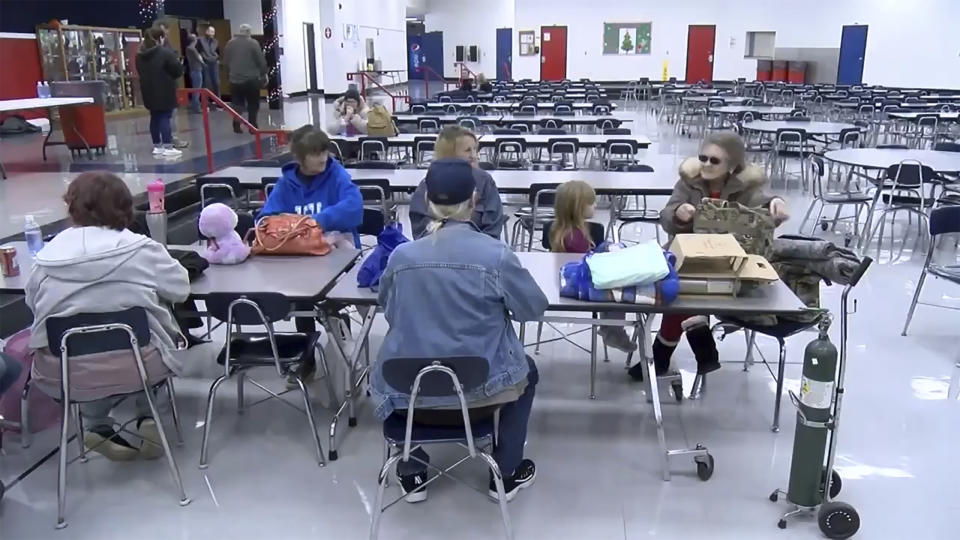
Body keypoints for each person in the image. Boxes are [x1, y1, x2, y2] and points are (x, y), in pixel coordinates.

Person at [370, 158, 548, 503]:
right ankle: (506, 473)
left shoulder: (401, 257)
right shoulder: (496, 255)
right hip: (482, 394)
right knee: (527, 371)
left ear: (425, 202)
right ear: (475, 201)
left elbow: (391, 311)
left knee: (406, 363)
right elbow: (533, 309)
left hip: (410, 396)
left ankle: (412, 472)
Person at [24, 172, 190, 460]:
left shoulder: (47, 257)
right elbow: (180, 289)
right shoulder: (141, 248)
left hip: (64, 372)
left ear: (72, 206)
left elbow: (32, 302)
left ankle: (96, 426)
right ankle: (147, 418)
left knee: (85, 350)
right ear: (125, 207)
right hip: (139, 365)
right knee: (143, 337)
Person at [627, 132, 789, 381]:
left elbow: (762, 203)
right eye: (702, 158)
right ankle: (698, 336)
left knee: (688, 288)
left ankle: (664, 352)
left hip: (728, 260)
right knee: (680, 283)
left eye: (715, 161)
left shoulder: (746, 188)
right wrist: (679, 213)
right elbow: (666, 215)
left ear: (733, 166)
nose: (705, 164)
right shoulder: (688, 183)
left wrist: (776, 202)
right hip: (687, 253)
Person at [258, 125, 363, 332]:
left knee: (332, 299)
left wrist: (314, 222)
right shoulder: (285, 185)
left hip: (337, 257)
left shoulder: (337, 175)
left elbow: (354, 207)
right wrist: (299, 228)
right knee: (301, 298)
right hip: (299, 257)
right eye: (316, 154)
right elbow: (265, 221)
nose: (323, 158)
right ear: (299, 158)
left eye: (324, 151)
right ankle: (306, 354)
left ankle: (344, 342)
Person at [549, 181, 635, 352]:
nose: (595, 205)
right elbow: (588, 267)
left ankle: (611, 328)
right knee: (617, 283)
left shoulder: (568, 229)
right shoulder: (573, 237)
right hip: (577, 286)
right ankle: (612, 329)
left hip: (575, 280)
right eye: (591, 202)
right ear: (578, 207)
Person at [409, 125, 504, 240]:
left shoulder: (484, 181)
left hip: (477, 252)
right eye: (467, 150)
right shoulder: (428, 183)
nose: (474, 156)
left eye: (475, 149)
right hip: (436, 249)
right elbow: (420, 227)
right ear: (449, 153)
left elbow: (493, 224)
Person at [137, 27, 184, 158]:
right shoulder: (166, 53)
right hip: (165, 90)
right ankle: (168, 146)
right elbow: (177, 71)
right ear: (160, 38)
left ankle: (157, 146)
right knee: (165, 117)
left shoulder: (140, 56)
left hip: (148, 91)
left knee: (154, 117)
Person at [223, 24, 267, 133]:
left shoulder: (230, 43)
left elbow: (226, 62)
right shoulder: (253, 43)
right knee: (253, 104)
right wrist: (264, 74)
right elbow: (261, 61)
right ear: (248, 32)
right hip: (251, 80)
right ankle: (252, 126)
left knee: (237, 104)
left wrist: (229, 75)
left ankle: (236, 124)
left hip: (234, 80)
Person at [197, 24, 221, 106]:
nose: (212, 33)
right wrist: (202, 61)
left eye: (213, 32)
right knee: (206, 83)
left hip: (214, 63)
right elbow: (198, 52)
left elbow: (218, 52)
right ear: (206, 31)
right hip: (205, 63)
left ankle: (218, 103)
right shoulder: (200, 40)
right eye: (210, 31)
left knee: (216, 83)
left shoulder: (215, 41)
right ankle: (205, 103)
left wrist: (217, 59)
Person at [185, 33, 204, 114]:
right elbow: (199, 59)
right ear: (194, 40)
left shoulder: (187, 48)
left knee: (195, 89)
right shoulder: (193, 49)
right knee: (197, 90)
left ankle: (194, 106)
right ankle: (197, 108)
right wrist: (203, 62)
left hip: (192, 70)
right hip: (197, 70)